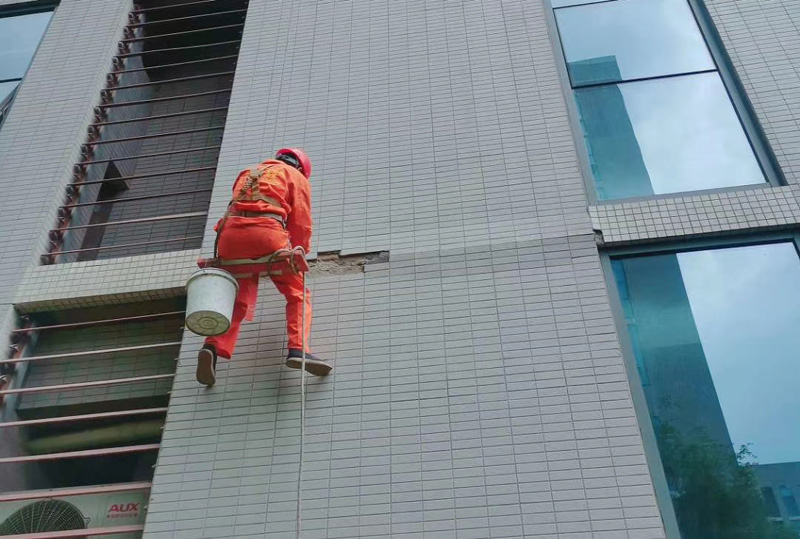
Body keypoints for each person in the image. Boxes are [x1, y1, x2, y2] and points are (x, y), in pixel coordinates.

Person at [196, 148, 331, 386]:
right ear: (300, 167)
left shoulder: (249, 172)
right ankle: (298, 349)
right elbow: (300, 220)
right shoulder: (294, 176)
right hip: (266, 233)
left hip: (230, 238)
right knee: (298, 293)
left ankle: (212, 345)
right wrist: (298, 252)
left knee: (238, 296)